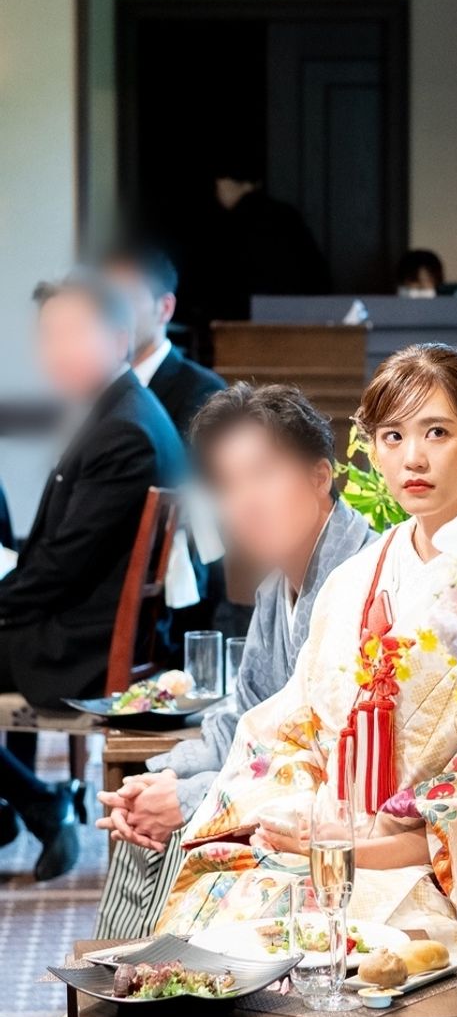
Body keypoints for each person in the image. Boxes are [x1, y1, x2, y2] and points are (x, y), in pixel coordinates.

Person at [157, 344, 457, 974]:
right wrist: (303, 821)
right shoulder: (355, 580)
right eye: (392, 436)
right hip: (327, 845)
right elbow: (289, 729)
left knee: (322, 950)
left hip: (433, 873)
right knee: (216, 924)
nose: (413, 458)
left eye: (437, 432)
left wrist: (361, 847)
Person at [93, 383, 376, 939]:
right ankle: (127, 982)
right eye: (227, 484)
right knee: (145, 823)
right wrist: (163, 777)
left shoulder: (362, 581)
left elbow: (323, 760)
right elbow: (244, 719)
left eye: (263, 474)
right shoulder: (275, 590)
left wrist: (190, 798)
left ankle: (155, 982)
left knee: (183, 840)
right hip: (279, 791)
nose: (244, 501)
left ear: (320, 476)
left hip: (341, 817)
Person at [0, 273, 185, 879]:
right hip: (78, 623)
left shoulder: (123, 430)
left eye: (70, 333)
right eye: (47, 335)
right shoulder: (118, 411)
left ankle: (37, 804)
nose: (54, 350)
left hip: (82, 647)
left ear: (117, 338)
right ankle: (29, 804)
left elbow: (59, 568)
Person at [102, 245, 226, 439]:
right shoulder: (96, 384)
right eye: (108, 303)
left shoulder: (203, 391)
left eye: (127, 300)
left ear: (165, 308)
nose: (115, 316)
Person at [207, 168, 330, 319]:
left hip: (243, 322)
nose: (218, 191)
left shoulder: (230, 225)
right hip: (299, 318)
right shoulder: (287, 216)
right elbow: (317, 276)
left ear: (228, 183)